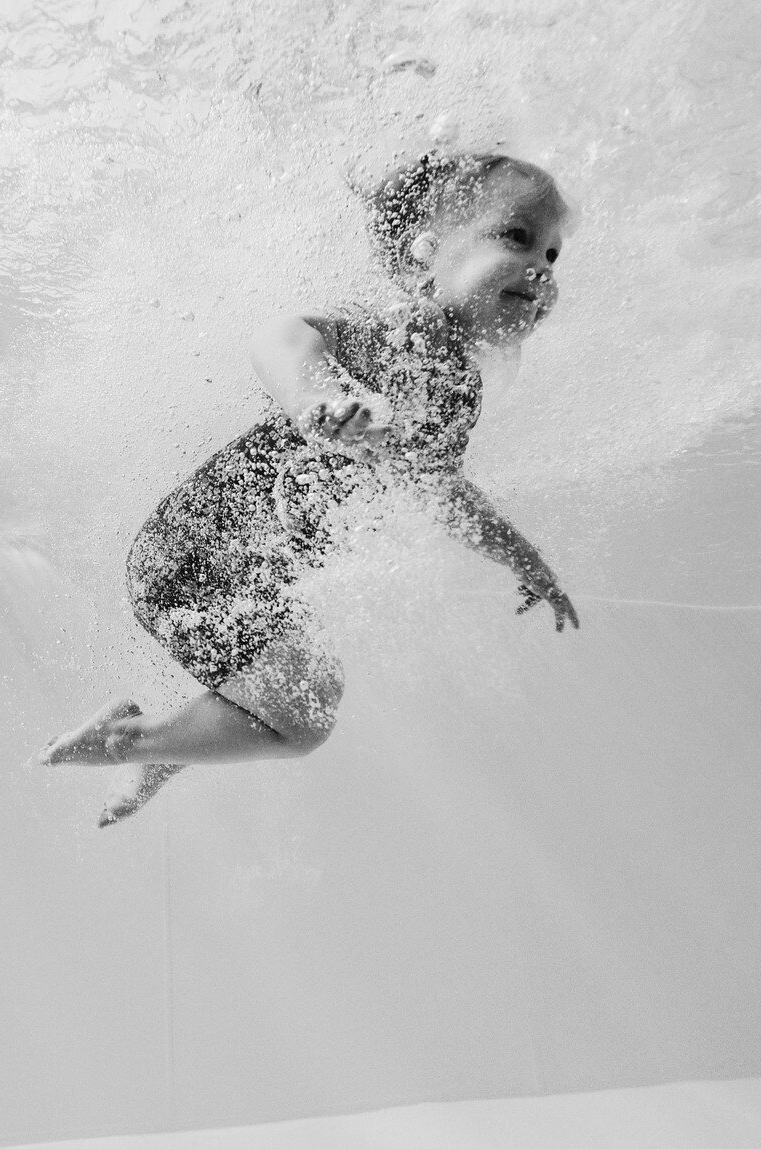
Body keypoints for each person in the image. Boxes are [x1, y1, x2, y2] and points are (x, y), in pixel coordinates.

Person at [39, 151, 579, 825]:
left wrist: (523, 557)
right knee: (306, 710)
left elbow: (441, 492)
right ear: (427, 253)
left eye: (554, 255)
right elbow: (281, 337)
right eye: (517, 237)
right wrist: (316, 396)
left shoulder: (456, 392)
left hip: (248, 582)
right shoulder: (399, 331)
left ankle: (155, 741)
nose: (541, 269)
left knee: (309, 700)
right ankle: (139, 744)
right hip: (190, 562)